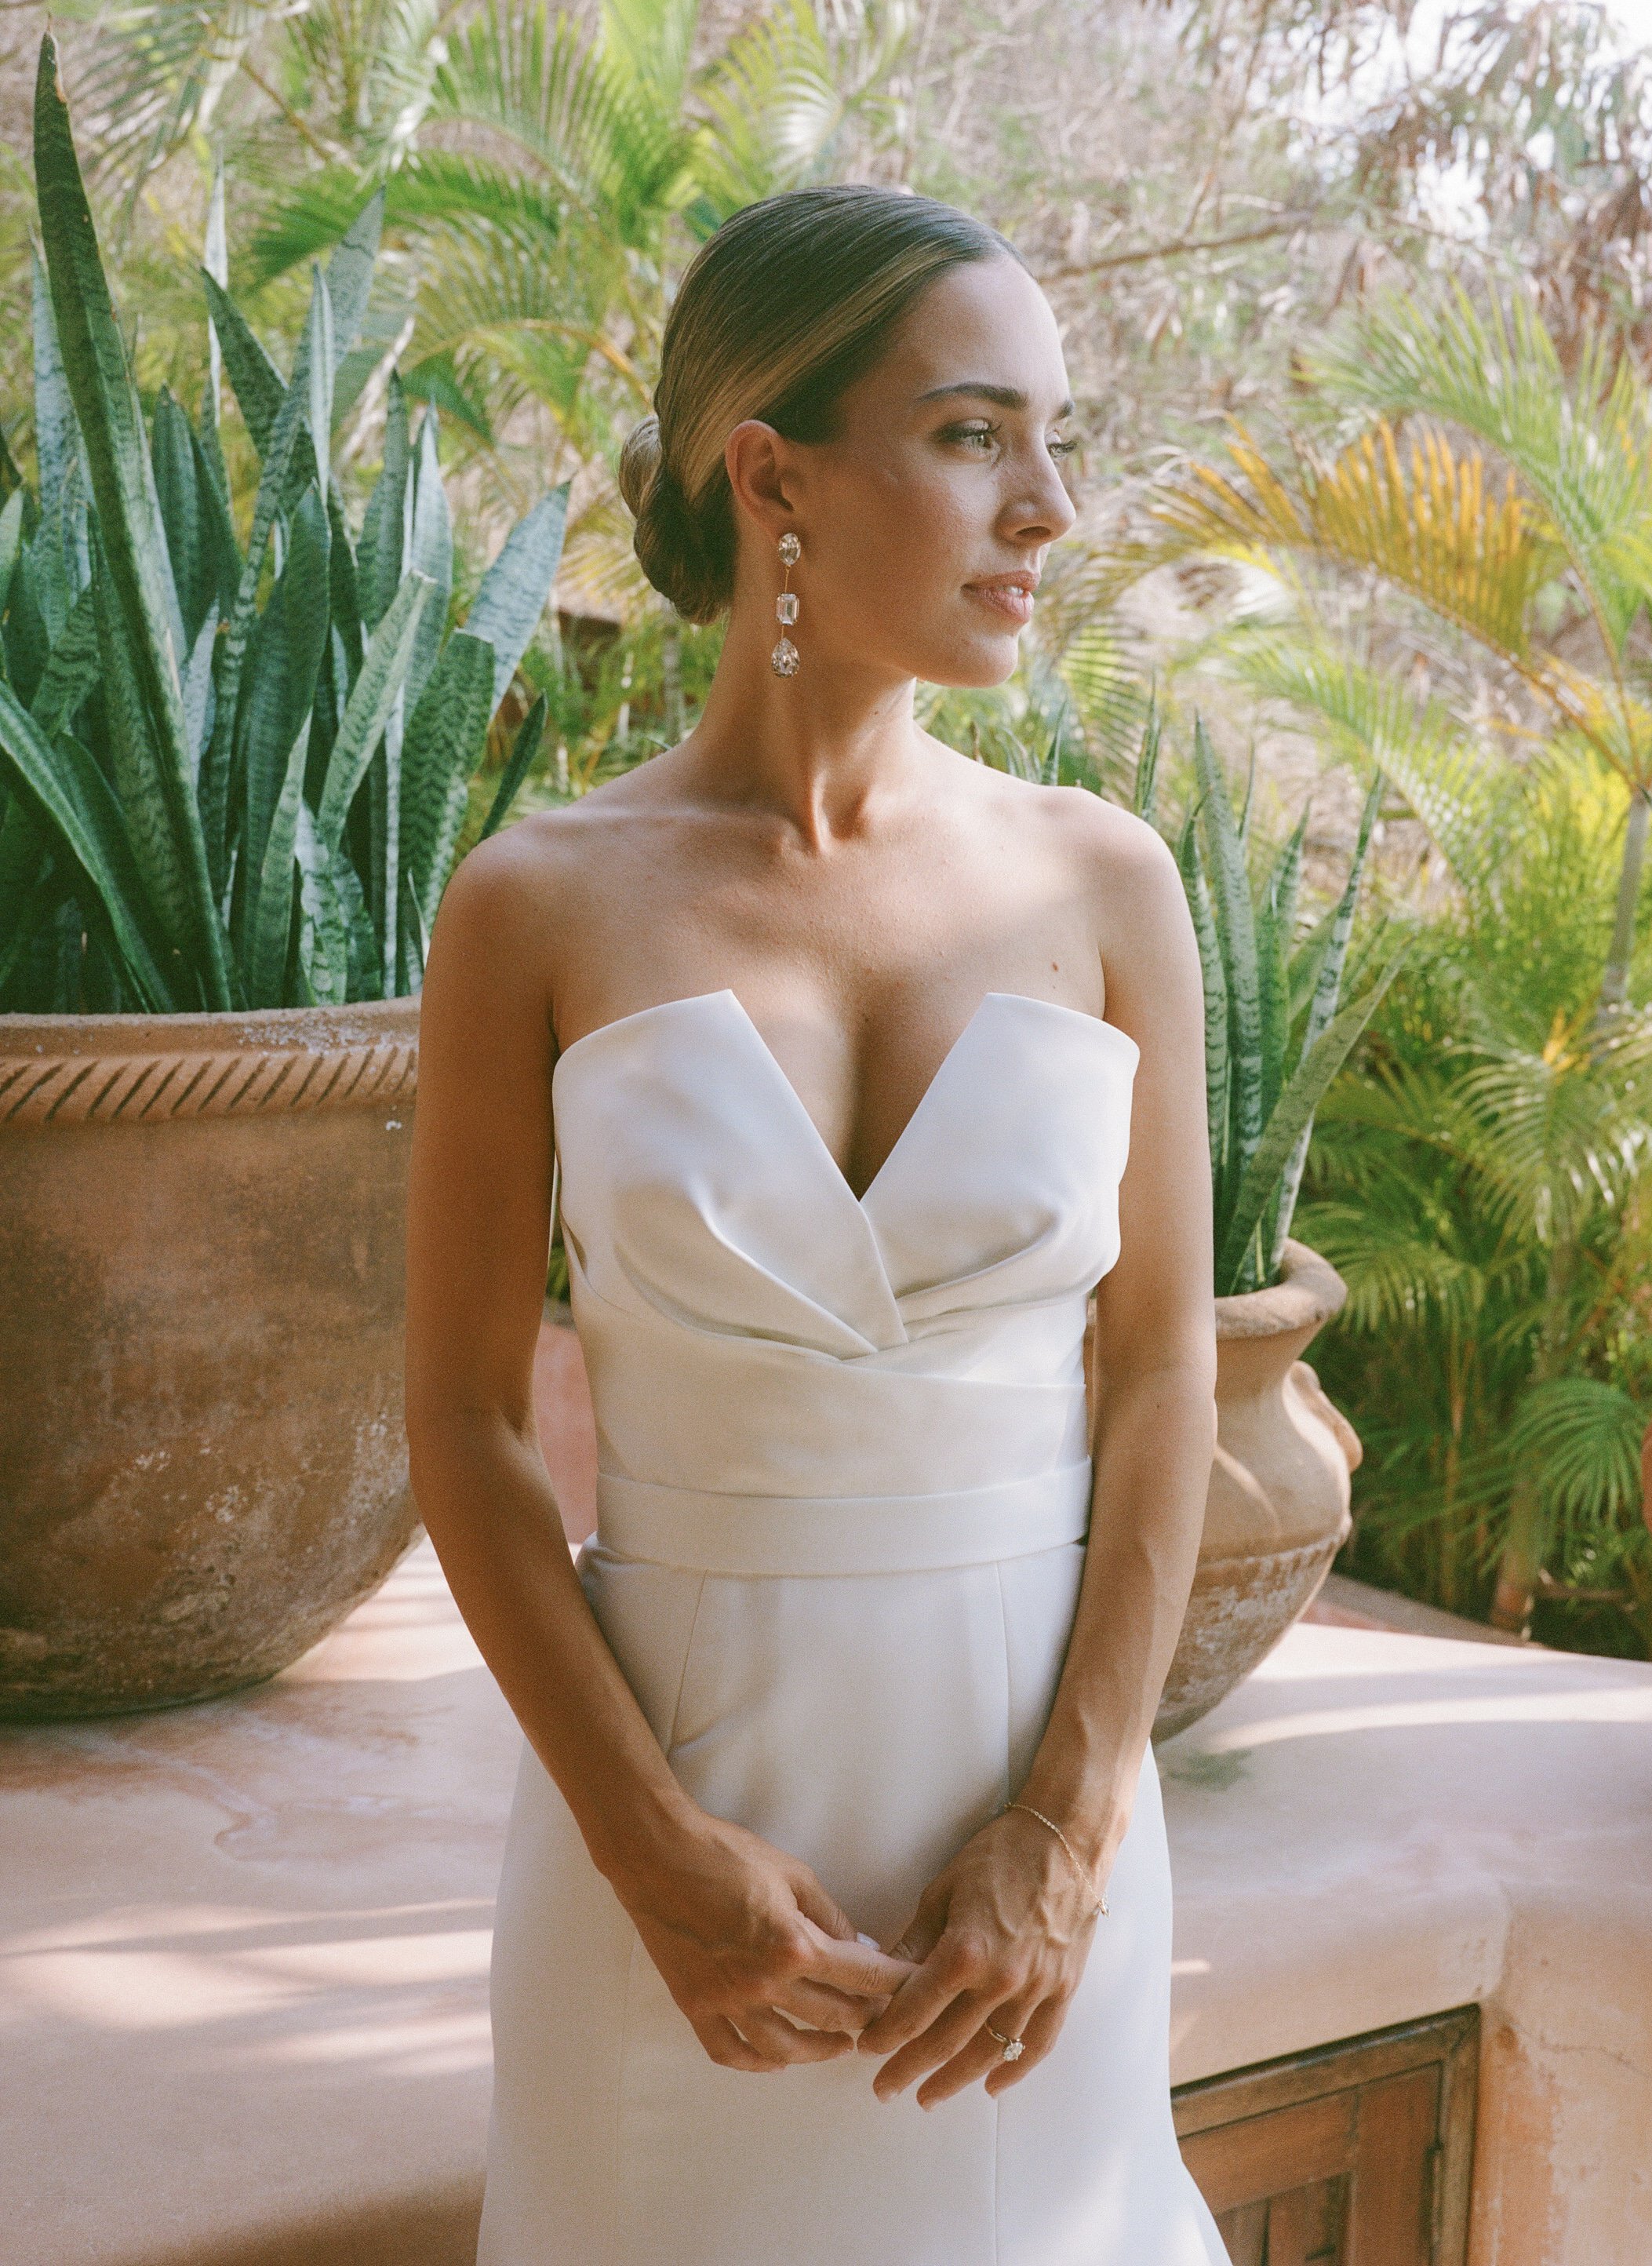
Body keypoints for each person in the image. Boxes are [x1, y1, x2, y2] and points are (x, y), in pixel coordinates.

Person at [404, 184, 1229, 2266]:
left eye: (1055, 436)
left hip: (1034, 1874)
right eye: (972, 435)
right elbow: (469, 1431)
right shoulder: (539, 902)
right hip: (663, 1856)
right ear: (771, 477)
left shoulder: (1104, 881)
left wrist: (1065, 1828)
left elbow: (1159, 1380)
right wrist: (653, 1856)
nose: (1046, 504)